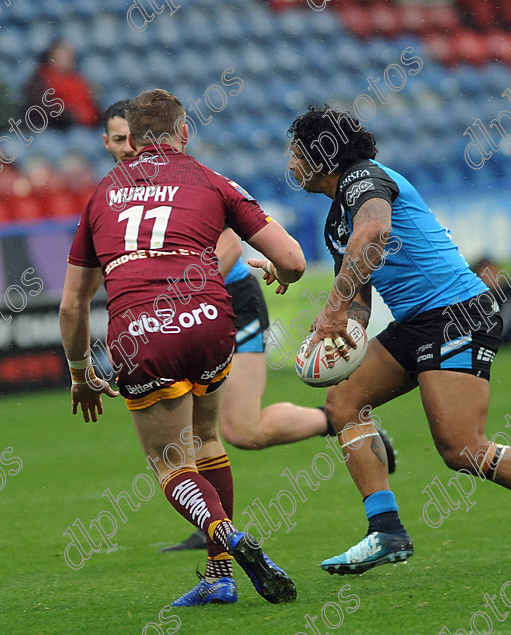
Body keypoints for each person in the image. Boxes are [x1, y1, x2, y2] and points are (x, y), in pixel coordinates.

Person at [283, 104, 511, 575]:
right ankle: (386, 531)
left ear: (322, 156)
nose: (291, 164)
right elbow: (360, 294)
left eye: (297, 153)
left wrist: (331, 307)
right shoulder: (336, 220)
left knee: (461, 448)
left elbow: (375, 231)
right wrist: (346, 330)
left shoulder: (364, 179)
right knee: (343, 404)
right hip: (417, 321)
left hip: (457, 315)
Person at [100, 101, 397, 553]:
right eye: (117, 141)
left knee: (242, 430)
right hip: (174, 318)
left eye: (130, 139)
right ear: (108, 143)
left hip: (225, 303)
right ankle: (216, 533)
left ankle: (335, 421)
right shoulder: (115, 192)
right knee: (193, 436)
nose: (126, 149)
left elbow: (231, 249)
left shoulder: (189, 180)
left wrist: (177, 306)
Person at [60, 89, 304, 605]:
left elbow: (72, 305)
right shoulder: (211, 180)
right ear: (184, 132)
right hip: (212, 321)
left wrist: (81, 374)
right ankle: (220, 578)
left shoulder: (101, 193)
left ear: (131, 137)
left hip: (141, 333)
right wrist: (280, 273)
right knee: (208, 439)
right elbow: (294, 260)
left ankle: (228, 539)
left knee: (172, 463)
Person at [24, 40, 99, 128]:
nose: (65, 60)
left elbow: (91, 106)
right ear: (51, 57)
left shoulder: (78, 79)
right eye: (61, 56)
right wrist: (69, 116)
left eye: (68, 57)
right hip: (55, 128)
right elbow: (39, 108)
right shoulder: (41, 79)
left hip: (85, 127)